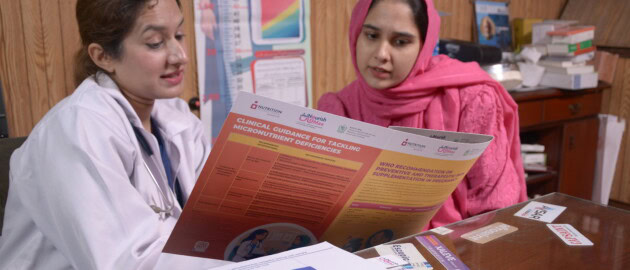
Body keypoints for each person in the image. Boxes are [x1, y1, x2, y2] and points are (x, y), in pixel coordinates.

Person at [0, 0, 229, 269]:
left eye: (178, 35)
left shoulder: (179, 120)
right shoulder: (77, 130)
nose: (180, 56)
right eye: (155, 42)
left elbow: (217, 220)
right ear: (102, 56)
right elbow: (124, 263)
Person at [318, 0, 527, 229]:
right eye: (371, 36)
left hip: (454, 246)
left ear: (424, 45)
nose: (381, 54)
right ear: (356, 34)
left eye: (400, 42)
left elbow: (494, 203)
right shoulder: (338, 107)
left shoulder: (472, 97)